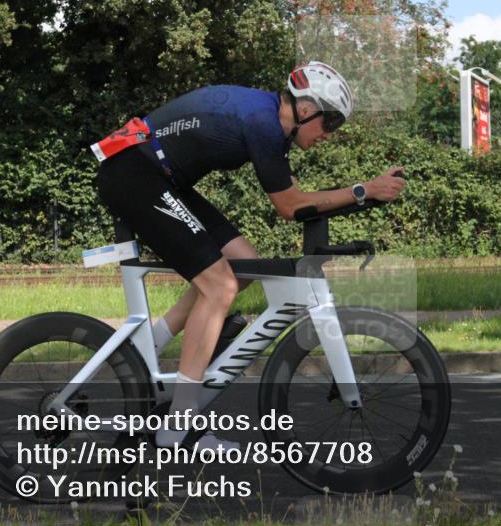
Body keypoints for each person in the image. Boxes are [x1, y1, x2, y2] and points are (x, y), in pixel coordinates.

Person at [95, 61, 406, 450]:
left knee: (242, 264)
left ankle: (147, 346)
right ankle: (178, 426)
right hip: (133, 174)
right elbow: (291, 207)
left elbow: (304, 201)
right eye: (330, 123)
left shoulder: (272, 126)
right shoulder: (263, 124)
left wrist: (363, 195)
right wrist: (364, 191)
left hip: (157, 176)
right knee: (220, 285)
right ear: (307, 110)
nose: (330, 134)